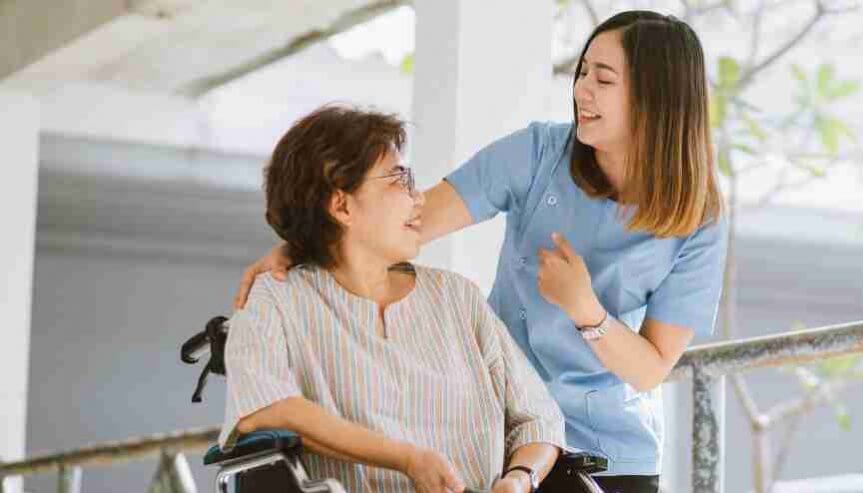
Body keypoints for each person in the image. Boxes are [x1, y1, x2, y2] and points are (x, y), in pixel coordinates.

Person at [235, 11, 726, 493]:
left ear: (655, 98)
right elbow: (408, 220)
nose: (580, 90)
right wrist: (305, 236)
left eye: (603, 79)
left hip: (609, 451)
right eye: (581, 72)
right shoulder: (537, 154)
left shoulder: (698, 217)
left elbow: (651, 368)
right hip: (507, 435)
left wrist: (584, 309)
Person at [222, 105, 565, 493]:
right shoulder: (277, 299)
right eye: (399, 179)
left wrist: (521, 479)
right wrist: (406, 458)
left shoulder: (458, 298)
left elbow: (540, 419)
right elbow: (265, 407)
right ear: (342, 205)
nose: (418, 198)